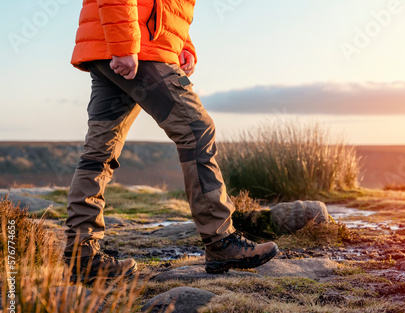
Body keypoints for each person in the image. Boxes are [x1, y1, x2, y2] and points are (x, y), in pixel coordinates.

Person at [64, 0, 278, 283]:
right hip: (133, 43)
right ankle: (220, 240)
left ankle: (82, 257)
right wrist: (125, 45)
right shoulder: (128, 43)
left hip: (114, 42)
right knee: (196, 130)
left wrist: (182, 46)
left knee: (98, 154)